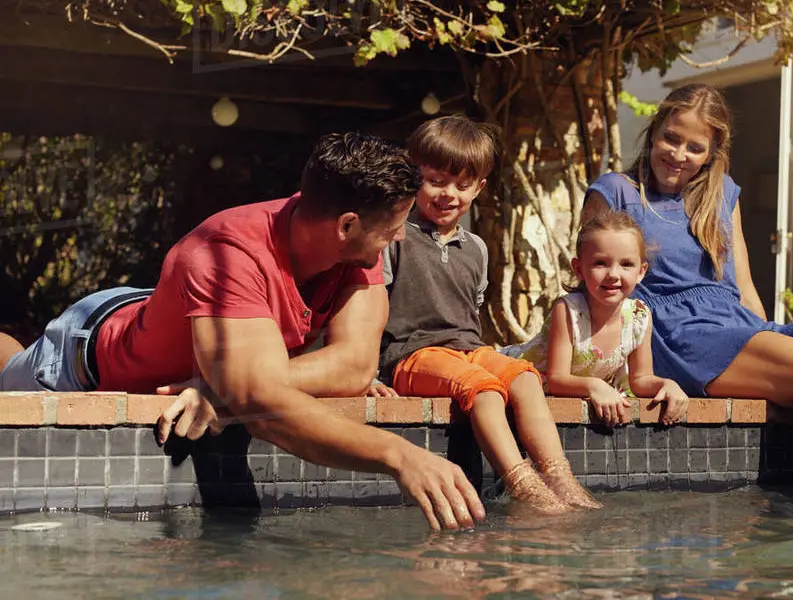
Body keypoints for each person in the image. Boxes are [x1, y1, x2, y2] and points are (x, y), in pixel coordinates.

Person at [0, 132, 485, 531]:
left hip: (185, 316)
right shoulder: (227, 250)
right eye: (393, 228)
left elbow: (356, 365)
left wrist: (223, 386)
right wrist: (401, 456)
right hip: (81, 352)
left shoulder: (357, 244)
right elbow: (264, 409)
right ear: (347, 224)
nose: (401, 237)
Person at [581, 83, 793, 507]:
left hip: (733, 324)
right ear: (654, 131)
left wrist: (770, 338)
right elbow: (594, 282)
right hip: (679, 334)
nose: (678, 155)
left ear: (711, 153)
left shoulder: (722, 193)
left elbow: (743, 283)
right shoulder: (616, 190)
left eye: (694, 147)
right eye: (671, 138)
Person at [367, 114, 601, 514]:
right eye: (436, 181)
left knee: (526, 378)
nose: (449, 194)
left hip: (465, 349)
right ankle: (521, 482)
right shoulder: (394, 236)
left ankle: (559, 476)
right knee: (483, 387)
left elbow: (470, 313)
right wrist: (367, 374)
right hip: (412, 354)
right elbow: (372, 311)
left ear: (479, 188)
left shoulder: (476, 247)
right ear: (412, 175)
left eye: (462, 185)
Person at [500, 210, 690, 428]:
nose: (613, 274)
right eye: (601, 263)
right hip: (513, 374)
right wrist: (594, 386)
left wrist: (668, 384)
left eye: (626, 264)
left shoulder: (639, 317)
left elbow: (640, 380)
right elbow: (556, 379)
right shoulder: (569, 310)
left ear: (641, 271)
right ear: (579, 269)